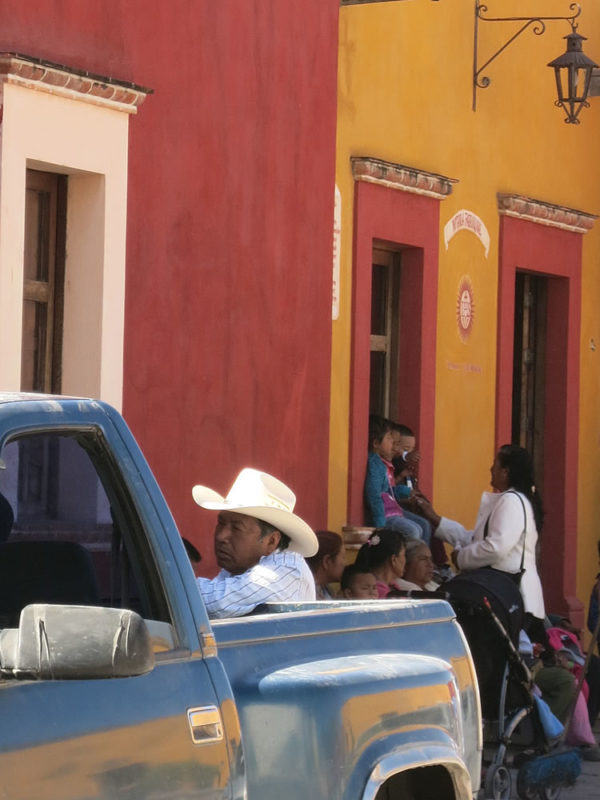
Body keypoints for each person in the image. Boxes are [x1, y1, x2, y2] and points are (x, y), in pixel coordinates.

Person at [417, 444, 545, 625]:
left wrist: (461, 557)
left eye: (495, 465)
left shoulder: (511, 501)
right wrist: (435, 518)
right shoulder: (516, 500)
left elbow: (495, 548)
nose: (491, 469)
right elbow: (475, 539)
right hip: (510, 596)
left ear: (505, 472)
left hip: (511, 596)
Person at [192, 468, 318, 618]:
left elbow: (214, 604)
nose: (221, 536)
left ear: (271, 541)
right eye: (221, 523)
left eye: (237, 528)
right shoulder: (238, 567)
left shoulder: (287, 568)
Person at [364, 415, 428, 541]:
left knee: (422, 527)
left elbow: (390, 489)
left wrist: (408, 491)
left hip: (392, 511)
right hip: (385, 515)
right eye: (389, 438)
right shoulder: (375, 464)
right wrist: (380, 524)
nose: (393, 444)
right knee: (413, 531)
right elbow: (374, 494)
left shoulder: (382, 463)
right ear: (376, 443)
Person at [354, 528, 406, 598]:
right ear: (393, 560)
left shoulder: (392, 587)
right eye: (404, 555)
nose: (405, 560)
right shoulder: (377, 593)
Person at [306, 530, 346, 599]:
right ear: (327, 561)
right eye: (343, 557)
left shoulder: (327, 590)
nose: (345, 563)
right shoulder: (306, 594)